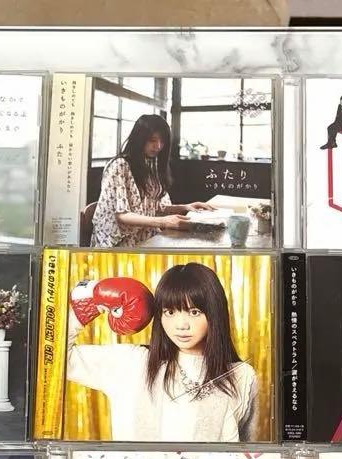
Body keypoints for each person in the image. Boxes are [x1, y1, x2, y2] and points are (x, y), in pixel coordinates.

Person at [66, 262, 258, 441]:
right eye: (170, 312)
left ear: (214, 313)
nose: (181, 325)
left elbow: (251, 454)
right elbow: (57, 360)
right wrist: (85, 307)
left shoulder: (241, 376)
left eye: (194, 312)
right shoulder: (131, 363)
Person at [90, 113, 215, 247]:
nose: (158, 146)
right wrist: (163, 221)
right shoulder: (119, 165)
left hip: (143, 236)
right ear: (139, 139)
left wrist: (185, 207)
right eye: (152, 140)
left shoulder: (150, 164)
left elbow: (152, 207)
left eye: (162, 141)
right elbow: (122, 215)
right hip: (118, 243)